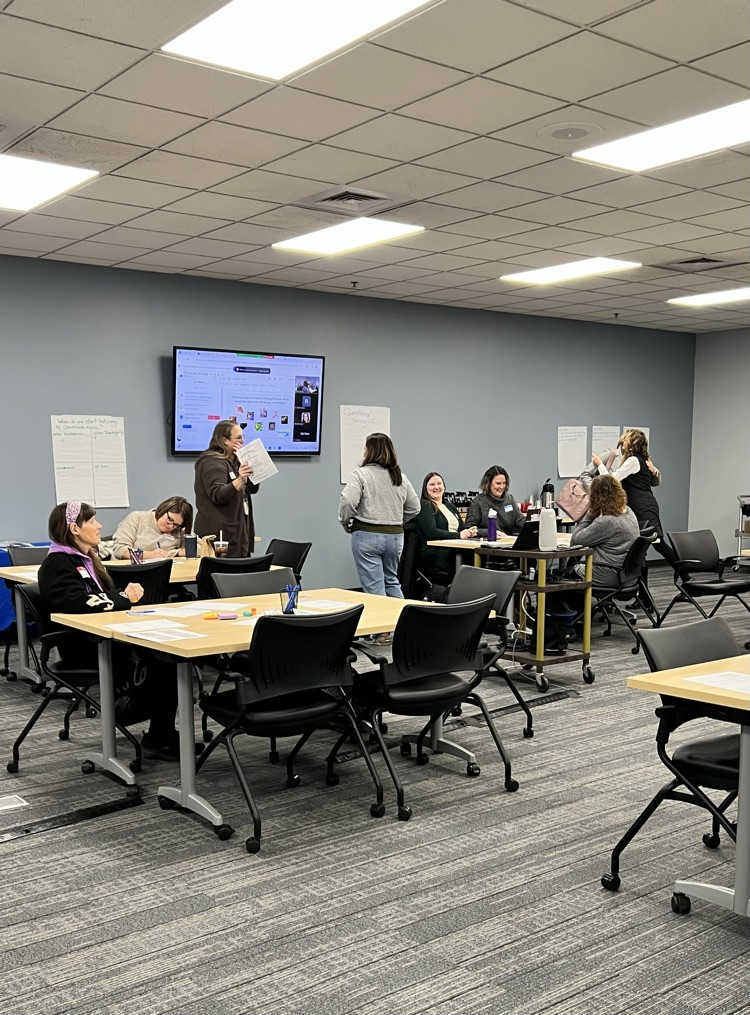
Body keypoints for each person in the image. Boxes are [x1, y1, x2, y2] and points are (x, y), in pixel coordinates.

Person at [37, 501, 188, 761]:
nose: (99, 526)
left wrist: (124, 594)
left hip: (101, 636)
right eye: (92, 521)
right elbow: (77, 602)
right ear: (74, 529)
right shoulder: (57, 564)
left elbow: (103, 594)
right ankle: (140, 721)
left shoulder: (87, 558)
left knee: (169, 656)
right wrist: (122, 597)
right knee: (163, 662)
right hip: (81, 645)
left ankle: (160, 733)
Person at [338, 433, 420, 601]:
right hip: (395, 537)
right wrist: (397, 520)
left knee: (374, 587)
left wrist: (345, 521)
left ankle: (382, 619)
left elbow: (348, 501)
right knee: (391, 581)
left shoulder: (360, 474)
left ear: (369, 451)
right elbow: (415, 507)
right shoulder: (400, 476)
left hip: (366, 535)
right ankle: (403, 617)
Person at [593, 428, 674, 565]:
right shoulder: (641, 460)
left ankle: (684, 571)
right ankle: (682, 573)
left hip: (643, 509)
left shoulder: (634, 461)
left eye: (625, 440)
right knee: (644, 548)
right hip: (643, 507)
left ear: (632, 443)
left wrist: (600, 465)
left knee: (654, 545)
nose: (622, 443)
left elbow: (612, 479)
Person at [194, 420, 259, 557]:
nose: (242, 441)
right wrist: (240, 480)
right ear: (224, 440)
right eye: (238, 438)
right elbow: (218, 495)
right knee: (222, 569)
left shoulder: (235, 460)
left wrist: (250, 468)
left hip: (239, 532)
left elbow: (252, 489)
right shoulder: (211, 462)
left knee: (242, 568)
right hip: (220, 535)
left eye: (243, 437)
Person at [415, 472, 477, 580]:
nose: (436, 487)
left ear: (444, 487)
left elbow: (462, 529)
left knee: (479, 555)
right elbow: (431, 532)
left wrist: (472, 532)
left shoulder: (450, 506)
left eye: (439, 484)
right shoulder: (425, 505)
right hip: (435, 553)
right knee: (469, 558)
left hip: (454, 548)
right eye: (432, 484)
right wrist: (459, 535)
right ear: (425, 488)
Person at [111, 496, 193, 560]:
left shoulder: (178, 529)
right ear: (163, 509)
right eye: (170, 520)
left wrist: (176, 552)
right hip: (129, 571)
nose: (171, 526)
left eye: (176, 524)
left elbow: (198, 547)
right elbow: (119, 549)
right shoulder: (137, 518)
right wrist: (150, 555)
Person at [466, 466, 524, 537]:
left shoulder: (509, 499)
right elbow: (469, 529)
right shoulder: (478, 502)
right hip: (488, 541)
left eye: (504, 483)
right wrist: (491, 532)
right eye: (498, 483)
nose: (502, 487)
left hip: (507, 540)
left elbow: (520, 521)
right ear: (488, 483)